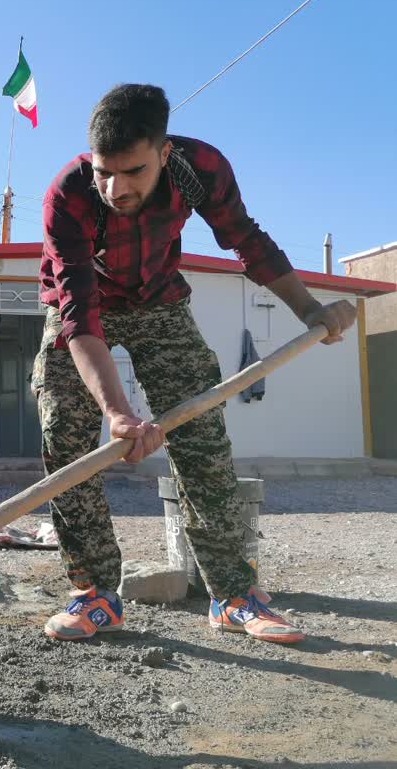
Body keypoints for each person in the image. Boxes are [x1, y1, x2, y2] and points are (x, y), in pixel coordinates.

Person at [33, 84, 356, 645]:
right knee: (65, 437)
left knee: (202, 438)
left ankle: (232, 595)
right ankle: (95, 595)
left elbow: (247, 242)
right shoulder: (71, 192)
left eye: (131, 171)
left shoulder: (199, 168)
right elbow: (78, 313)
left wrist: (310, 310)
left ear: (163, 152)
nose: (115, 187)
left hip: (160, 303)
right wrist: (118, 411)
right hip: (84, 310)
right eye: (105, 172)